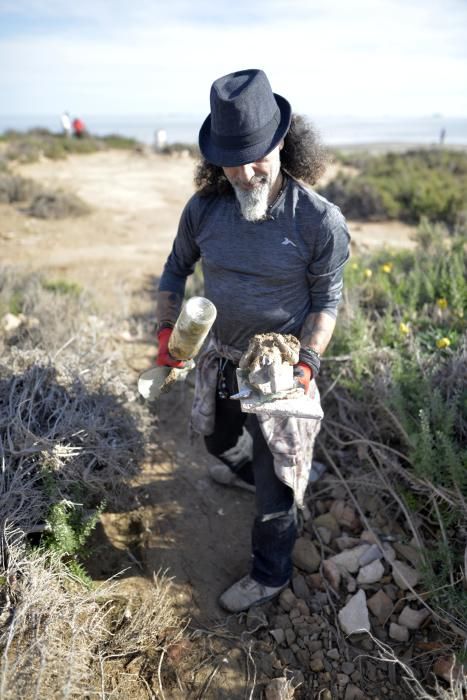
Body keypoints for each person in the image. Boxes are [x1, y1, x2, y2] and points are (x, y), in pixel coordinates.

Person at [156, 69, 350, 612]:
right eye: (232, 158)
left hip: (280, 370)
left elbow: (326, 302)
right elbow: (174, 272)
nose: (245, 172)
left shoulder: (319, 221)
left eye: (257, 155)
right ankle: (243, 471)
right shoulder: (204, 211)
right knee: (217, 440)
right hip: (221, 358)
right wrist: (164, 335)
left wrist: (304, 367)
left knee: (276, 487)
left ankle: (269, 574)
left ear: (282, 142)